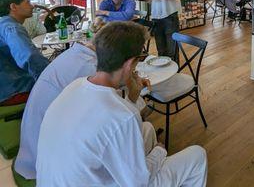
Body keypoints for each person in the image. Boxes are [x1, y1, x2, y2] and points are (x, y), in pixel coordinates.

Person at [36, 21, 207, 186]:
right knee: (197, 155)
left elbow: (113, 125)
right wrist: (159, 152)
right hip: (120, 180)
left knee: (146, 129)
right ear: (129, 64)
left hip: (56, 179)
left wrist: (133, 95)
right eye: (139, 58)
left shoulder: (75, 85)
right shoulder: (123, 115)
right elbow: (137, 182)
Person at [15, 28, 152, 180]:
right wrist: (133, 97)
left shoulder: (76, 55)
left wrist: (129, 78)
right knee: (140, 129)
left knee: (142, 126)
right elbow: (115, 117)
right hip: (54, 157)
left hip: (44, 142)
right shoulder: (89, 70)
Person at [0, 0, 49, 105]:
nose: (32, 6)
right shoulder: (11, 27)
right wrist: (50, 74)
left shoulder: (3, 24)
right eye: (27, 2)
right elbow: (29, 56)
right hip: (14, 88)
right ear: (13, 7)